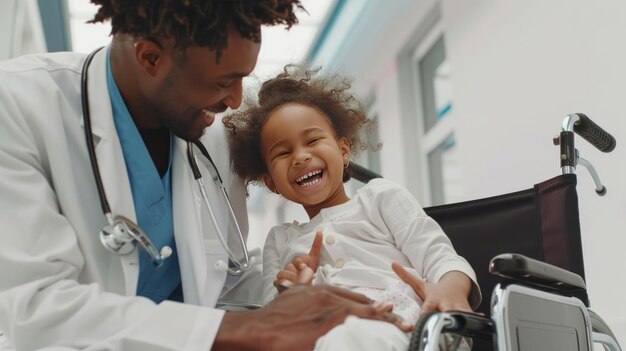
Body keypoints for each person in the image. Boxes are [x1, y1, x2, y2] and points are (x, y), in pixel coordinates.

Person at [0, 1, 407, 350]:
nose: (233, 102)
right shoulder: (18, 106)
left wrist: (326, 289)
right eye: (223, 82)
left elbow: (221, 280)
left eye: (243, 77)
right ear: (150, 58)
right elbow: (34, 306)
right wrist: (250, 328)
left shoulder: (210, 136)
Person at [223, 66, 482, 350]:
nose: (300, 157)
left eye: (312, 141)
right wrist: (291, 292)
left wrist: (450, 290)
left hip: (407, 327)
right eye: (283, 153)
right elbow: (273, 318)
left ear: (343, 150)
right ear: (271, 182)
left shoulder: (381, 198)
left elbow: (442, 258)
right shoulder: (279, 240)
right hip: (322, 335)